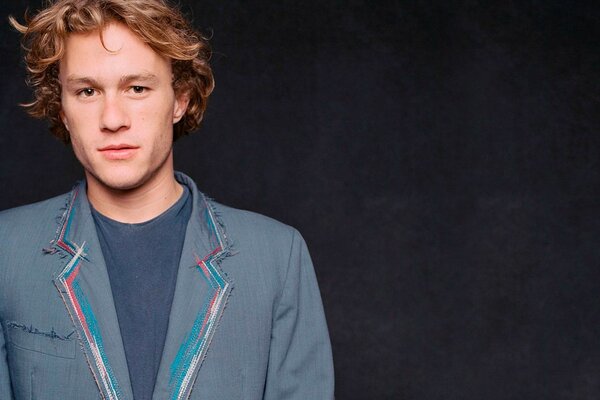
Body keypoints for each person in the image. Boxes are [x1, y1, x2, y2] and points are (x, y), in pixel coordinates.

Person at [0, 1, 334, 399]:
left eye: (137, 88)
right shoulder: (6, 250)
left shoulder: (277, 257)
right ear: (63, 109)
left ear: (180, 100)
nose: (112, 119)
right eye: (87, 91)